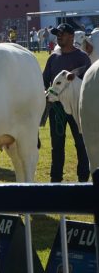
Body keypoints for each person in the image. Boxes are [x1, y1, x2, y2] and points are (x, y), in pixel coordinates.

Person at [42, 23, 91, 182]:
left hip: (77, 108)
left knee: (81, 145)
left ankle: (83, 181)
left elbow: (88, 84)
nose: (58, 36)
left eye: (62, 34)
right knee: (57, 147)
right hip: (57, 110)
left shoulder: (82, 57)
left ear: (71, 36)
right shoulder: (53, 58)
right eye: (57, 34)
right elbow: (44, 83)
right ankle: (55, 181)